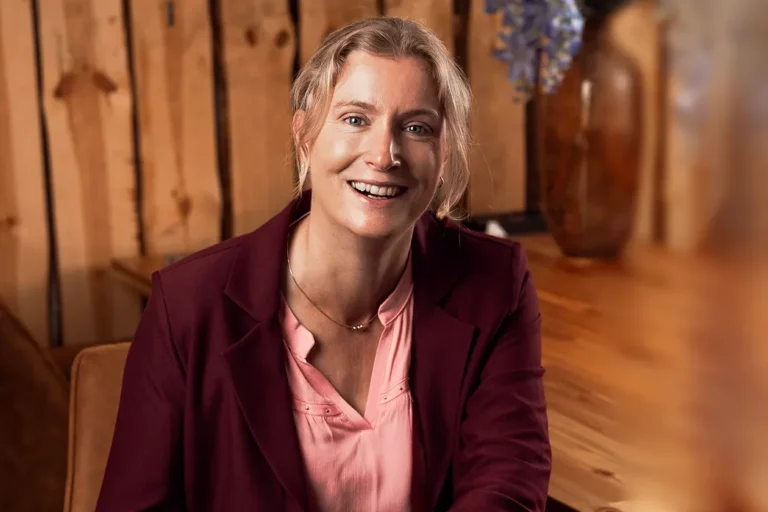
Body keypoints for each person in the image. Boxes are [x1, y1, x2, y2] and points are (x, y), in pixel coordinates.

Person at [96, 16, 550, 512]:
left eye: (416, 128)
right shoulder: (186, 307)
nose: (384, 155)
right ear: (305, 137)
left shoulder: (494, 283)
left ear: (443, 157)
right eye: (355, 119)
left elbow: (508, 485)